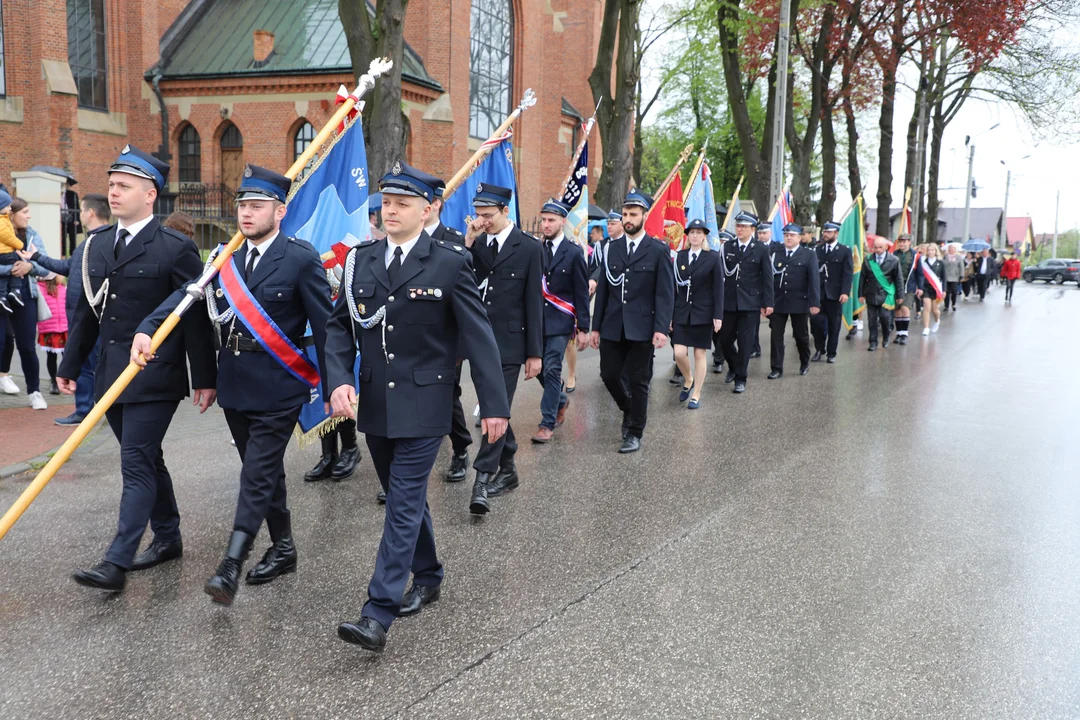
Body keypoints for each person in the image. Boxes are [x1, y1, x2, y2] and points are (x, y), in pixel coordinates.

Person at [325, 160, 510, 653]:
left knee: (402, 504)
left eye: (403, 204)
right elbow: (339, 327)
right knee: (403, 498)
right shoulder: (359, 260)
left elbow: (479, 336)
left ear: (428, 209)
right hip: (376, 405)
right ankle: (428, 574)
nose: (391, 211)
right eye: (386, 203)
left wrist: (495, 405)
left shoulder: (450, 263)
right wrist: (339, 380)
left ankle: (376, 612)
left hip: (427, 404)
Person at [132, 164, 332, 606]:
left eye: (257, 206)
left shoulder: (300, 257)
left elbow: (327, 326)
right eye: (242, 205)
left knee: (256, 473)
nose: (246, 213)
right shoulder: (225, 259)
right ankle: (283, 547)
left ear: (279, 212)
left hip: (281, 384)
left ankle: (231, 562)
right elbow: (184, 299)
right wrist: (149, 326)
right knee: (263, 473)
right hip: (236, 385)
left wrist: (337, 382)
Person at [57, 145, 217, 593]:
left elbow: (193, 314)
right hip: (111, 373)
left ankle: (116, 560)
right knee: (147, 457)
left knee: (135, 461)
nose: (113, 192)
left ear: (150, 194)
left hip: (154, 375)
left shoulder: (176, 247)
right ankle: (167, 536)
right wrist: (72, 364)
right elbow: (90, 312)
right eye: (111, 184)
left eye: (124, 186)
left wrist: (205, 377)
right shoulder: (97, 244)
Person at [461, 182, 543, 512]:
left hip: (511, 343)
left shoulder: (528, 247)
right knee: (497, 410)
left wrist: (534, 352)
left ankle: (482, 479)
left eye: (488, 215)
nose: (483, 221)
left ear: (505, 211)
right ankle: (508, 471)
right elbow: (463, 275)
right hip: (481, 340)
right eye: (478, 215)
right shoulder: (478, 244)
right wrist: (468, 240)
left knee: (494, 411)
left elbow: (534, 303)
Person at [590, 189, 674, 453]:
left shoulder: (658, 250)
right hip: (613, 325)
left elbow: (665, 293)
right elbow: (603, 289)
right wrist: (595, 327)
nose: (628, 219)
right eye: (625, 214)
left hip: (642, 326)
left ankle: (634, 431)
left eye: (633, 214)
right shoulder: (611, 249)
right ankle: (629, 407)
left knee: (639, 380)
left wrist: (661, 328)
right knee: (609, 374)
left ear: (644, 216)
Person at [19, 192, 111, 425]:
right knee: (89, 364)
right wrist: (36, 257)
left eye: (81, 210)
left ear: (90, 213)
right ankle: (90, 409)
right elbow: (67, 267)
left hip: (90, 317)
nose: (79, 215)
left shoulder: (103, 242)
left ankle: (85, 411)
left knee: (87, 364)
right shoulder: (89, 243)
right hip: (81, 316)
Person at [531, 200, 590, 443]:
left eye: (551, 220)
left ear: (562, 222)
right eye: (543, 220)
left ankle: (547, 422)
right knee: (539, 369)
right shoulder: (534, 250)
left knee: (552, 367)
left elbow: (581, 292)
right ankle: (561, 399)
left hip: (561, 321)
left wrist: (584, 327)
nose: (546, 224)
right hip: (537, 321)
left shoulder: (574, 252)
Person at [0, 197, 51, 408]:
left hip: (25, 296)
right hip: (1, 296)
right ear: (12, 213)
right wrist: (10, 269)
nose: (29, 216)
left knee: (27, 347)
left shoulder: (32, 235)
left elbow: (45, 267)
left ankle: (35, 392)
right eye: (25, 212)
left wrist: (29, 267)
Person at [718, 212, 774, 394]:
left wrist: (768, 302)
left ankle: (741, 378)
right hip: (729, 302)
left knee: (745, 342)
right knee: (724, 339)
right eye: (738, 226)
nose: (739, 229)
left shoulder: (761, 249)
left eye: (743, 226)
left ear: (752, 229)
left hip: (750, 302)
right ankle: (734, 366)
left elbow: (767, 278)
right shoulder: (727, 247)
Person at [671, 219, 723, 409]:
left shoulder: (713, 257)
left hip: (703, 312)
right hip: (682, 312)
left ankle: (696, 394)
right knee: (679, 353)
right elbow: (673, 288)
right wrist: (669, 315)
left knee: (700, 354)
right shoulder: (680, 256)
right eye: (692, 232)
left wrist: (718, 316)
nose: (695, 236)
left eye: (699, 233)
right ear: (687, 235)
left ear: (704, 236)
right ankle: (688, 378)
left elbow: (718, 288)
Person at [768, 224, 820, 379]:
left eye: (792, 235)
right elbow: (770, 279)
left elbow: (814, 280)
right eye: (786, 235)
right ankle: (776, 368)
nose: (789, 238)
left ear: (799, 237)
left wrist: (814, 303)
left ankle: (804, 361)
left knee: (801, 336)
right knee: (776, 335)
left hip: (799, 300)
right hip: (778, 300)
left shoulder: (808, 255)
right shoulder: (776, 254)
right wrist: (767, 302)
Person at [810, 220, 853, 364]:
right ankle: (819, 349)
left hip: (835, 294)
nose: (825, 234)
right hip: (819, 293)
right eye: (824, 232)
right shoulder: (818, 250)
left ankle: (831, 352)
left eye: (828, 232)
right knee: (816, 322)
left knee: (834, 324)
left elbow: (847, 273)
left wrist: (845, 292)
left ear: (836, 233)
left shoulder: (844, 250)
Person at [858, 236, 903, 351]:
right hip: (871, 293)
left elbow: (898, 278)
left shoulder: (894, 260)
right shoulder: (868, 259)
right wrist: (861, 294)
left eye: (880, 247)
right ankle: (873, 342)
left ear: (886, 247)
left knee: (884, 318)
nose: (878, 250)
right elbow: (862, 278)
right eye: (875, 247)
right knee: (872, 320)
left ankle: (886, 336)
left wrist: (900, 295)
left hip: (886, 295)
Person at [37, 274, 68, 394]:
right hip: (49, 329)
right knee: (52, 357)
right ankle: (54, 381)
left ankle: (67, 379)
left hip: (64, 328)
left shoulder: (63, 288)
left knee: (67, 356)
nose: (63, 276)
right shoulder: (40, 288)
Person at [0, 189, 26, 313]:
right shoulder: (1, 221)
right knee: (15, 262)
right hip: (5, 253)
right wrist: (19, 244)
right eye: (7, 206)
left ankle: (3, 296)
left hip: (4, 253)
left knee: (3, 279)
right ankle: (15, 290)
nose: (9, 209)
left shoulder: (4, 219)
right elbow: (7, 236)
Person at [891, 234, 917, 345]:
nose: (901, 244)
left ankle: (904, 334)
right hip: (896, 286)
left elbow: (919, 273)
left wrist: (919, 287)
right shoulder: (893, 254)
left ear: (909, 242)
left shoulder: (915, 255)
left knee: (905, 308)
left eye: (904, 241)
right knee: (897, 309)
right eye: (900, 242)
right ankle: (899, 333)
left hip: (909, 286)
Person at [915, 243, 945, 336]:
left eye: (932, 250)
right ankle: (926, 327)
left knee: (934, 310)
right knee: (926, 307)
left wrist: (944, 290)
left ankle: (937, 321)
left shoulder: (940, 263)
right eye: (929, 250)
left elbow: (944, 277)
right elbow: (919, 275)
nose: (930, 252)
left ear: (936, 251)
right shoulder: (923, 262)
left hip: (936, 289)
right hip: (926, 288)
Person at [942, 243, 964, 312]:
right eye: (949, 248)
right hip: (946, 276)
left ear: (955, 249)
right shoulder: (945, 256)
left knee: (954, 291)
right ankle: (946, 306)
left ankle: (953, 304)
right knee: (946, 292)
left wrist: (961, 275)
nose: (950, 250)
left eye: (952, 248)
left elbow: (961, 267)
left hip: (955, 276)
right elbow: (942, 265)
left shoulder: (959, 257)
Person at [63, 179, 81, 257]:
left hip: (71, 217)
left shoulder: (72, 194)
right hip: (61, 218)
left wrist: (76, 219)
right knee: (62, 237)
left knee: (73, 237)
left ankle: (72, 254)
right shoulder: (57, 193)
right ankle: (63, 254)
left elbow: (76, 207)